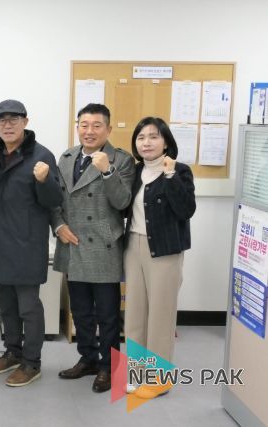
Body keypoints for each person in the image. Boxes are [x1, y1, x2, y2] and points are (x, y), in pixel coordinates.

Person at [52, 103, 135, 393]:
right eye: (84, 125)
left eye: (96, 125)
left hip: (103, 245)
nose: (89, 131)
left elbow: (123, 202)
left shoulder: (121, 160)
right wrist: (58, 225)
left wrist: (108, 171)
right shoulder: (67, 157)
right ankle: (87, 358)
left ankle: (109, 367)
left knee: (108, 315)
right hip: (72, 242)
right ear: (77, 127)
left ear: (108, 129)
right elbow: (55, 199)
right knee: (81, 311)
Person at [0, 99, 63, 387]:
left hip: (27, 243)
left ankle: (32, 362)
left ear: (25, 122)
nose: (7, 125)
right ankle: (13, 352)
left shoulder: (42, 155)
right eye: (1, 120)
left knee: (29, 307)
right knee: (5, 306)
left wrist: (44, 180)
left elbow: (54, 200)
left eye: (13, 119)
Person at [124, 117, 196, 399]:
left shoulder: (179, 171)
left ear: (166, 142)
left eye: (153, 137)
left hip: (165, 250)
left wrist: (169, 176)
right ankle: (137, 373)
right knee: (135, 314)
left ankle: (158, 380)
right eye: (141, 137)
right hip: (133, 246)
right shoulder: (135, 171)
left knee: (161, 317)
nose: (146, 143)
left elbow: (186, 210)